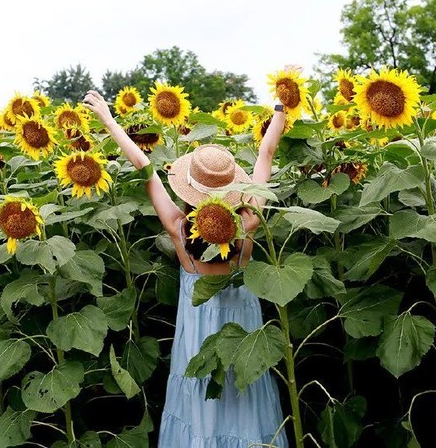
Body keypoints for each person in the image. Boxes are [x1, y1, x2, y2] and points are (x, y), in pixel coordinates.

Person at [83, 89, 289, 447]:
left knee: (199, 403)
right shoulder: (248, 225)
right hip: (244, 338)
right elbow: (266, 154)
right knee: (246, 395)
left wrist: (109, 121)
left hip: (196, 341)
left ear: (189, 190)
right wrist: (281, 106)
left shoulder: (178, 231)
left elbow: (145, 168)